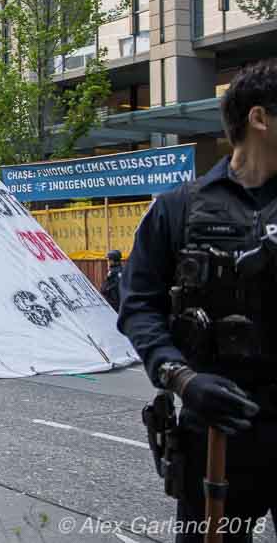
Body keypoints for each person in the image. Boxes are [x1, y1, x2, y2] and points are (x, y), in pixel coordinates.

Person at [118, 60, 277, 543]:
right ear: (259, 118)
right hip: (218, 425)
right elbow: (138, 307)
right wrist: (183, 379)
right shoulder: (177, 208)